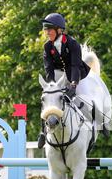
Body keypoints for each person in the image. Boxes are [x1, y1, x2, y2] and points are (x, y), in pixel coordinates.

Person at [37, 13, 91, 149]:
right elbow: (48, 69)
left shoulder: (72, 44)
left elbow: (75, 65)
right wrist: (51, 87)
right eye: (46, 29)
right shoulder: (47, 47)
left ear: (59, 30)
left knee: (83, 97)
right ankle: (43, 132)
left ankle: (98, 121)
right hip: (58, 75)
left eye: (49, 29)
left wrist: (73, 84)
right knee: (48, 99)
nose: (47, 32)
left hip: (76, 73)